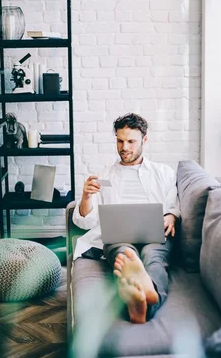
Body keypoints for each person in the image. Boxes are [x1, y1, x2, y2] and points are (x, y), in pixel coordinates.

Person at [72, 113, 180, 324]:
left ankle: (138, 297)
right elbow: (85, 222)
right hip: (118, 237)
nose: (124, 147)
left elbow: (173, 206)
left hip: (154, 236)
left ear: (144, 140)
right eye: (120, 141)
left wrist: (171, 216)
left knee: (154, 256)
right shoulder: (104, 176)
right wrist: (86, 197)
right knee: (125, 253)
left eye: (131, 141)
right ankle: (144, 291)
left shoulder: (163, 173)